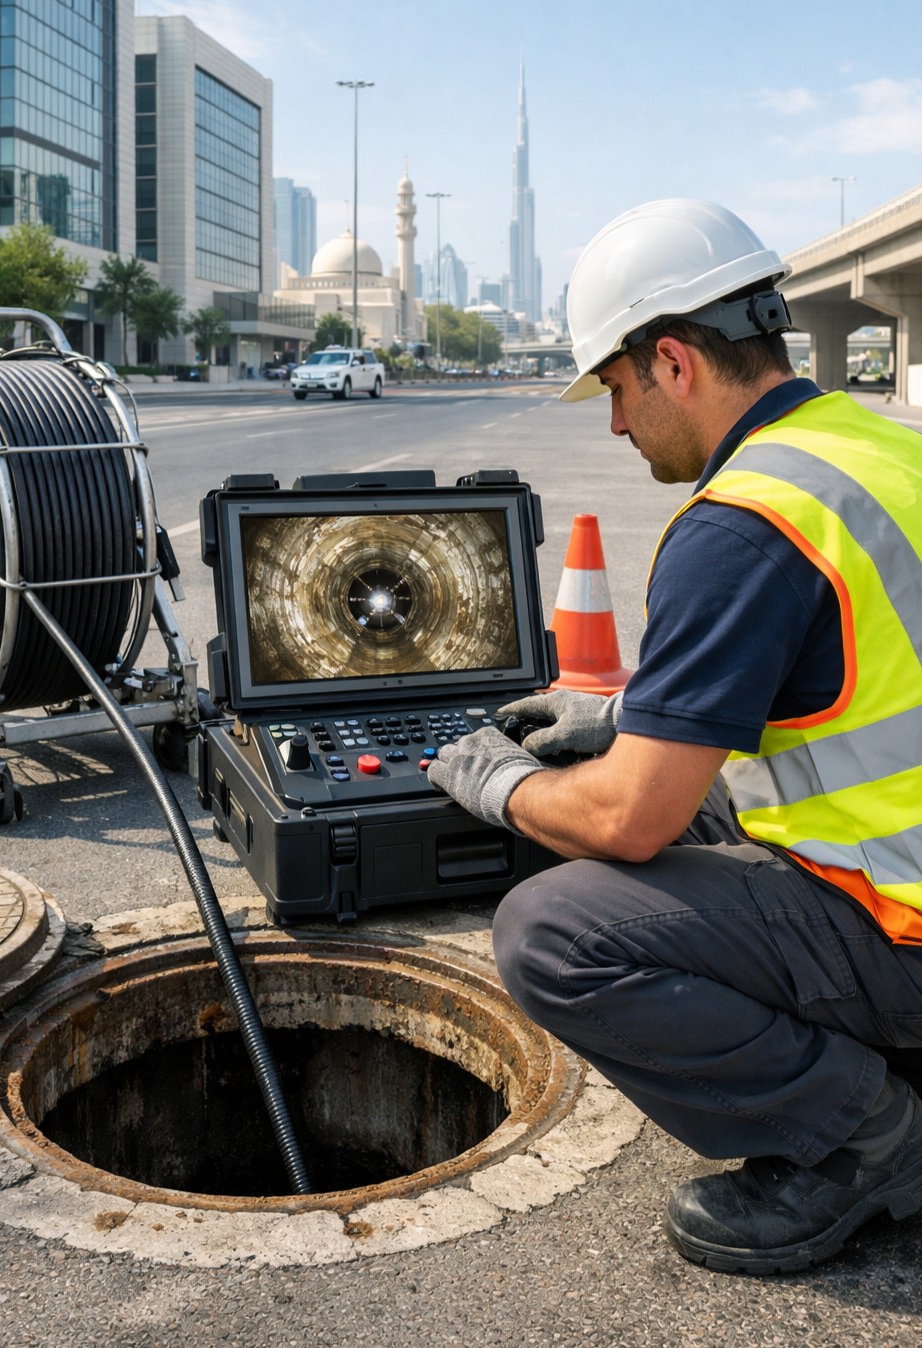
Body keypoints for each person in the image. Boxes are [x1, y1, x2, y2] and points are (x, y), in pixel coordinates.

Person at [427, 198, 922, 1275]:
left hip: (906, 919)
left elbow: (629, 817)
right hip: (903, 843)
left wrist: (500, 782)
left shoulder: (742, 523)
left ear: (670, 362)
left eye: (612, 390)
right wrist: (617, 715)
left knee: (556, 925)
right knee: (659, 787)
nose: (613, 425)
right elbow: (866, 661)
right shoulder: (877, 447)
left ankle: (864, 1135)